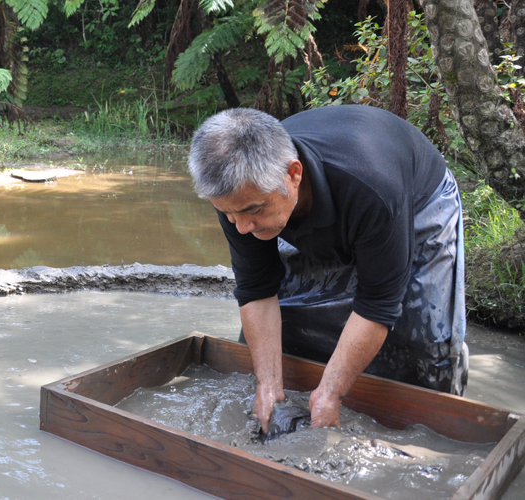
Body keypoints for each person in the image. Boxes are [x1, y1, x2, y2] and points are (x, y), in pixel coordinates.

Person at [187, 105, 467, 433]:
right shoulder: (238, 195)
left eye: (253, 211)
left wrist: (331, 394)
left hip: (418, 202)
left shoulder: (374, 188)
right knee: (293, 326)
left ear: (293, 174)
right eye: (229, 215)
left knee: (418, 345)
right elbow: (257, 289)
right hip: (317, 199)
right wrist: (268, 385)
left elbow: (379, 304)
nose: (242, 227)